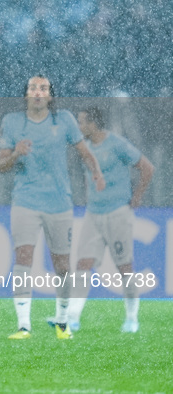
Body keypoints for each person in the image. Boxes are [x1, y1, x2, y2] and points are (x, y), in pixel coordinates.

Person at [0, 74, 105, 340]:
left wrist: (97, 174)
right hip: (25, 200)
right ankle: (24, 325)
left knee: (62, 264)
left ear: (50, 96)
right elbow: (0, 166)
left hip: (59, 202)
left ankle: (62, 320)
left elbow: (84, 152)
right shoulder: (13, 122)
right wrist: (15, 153)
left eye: (43, 88)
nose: (37, 92)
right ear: (26, 94)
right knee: (23, 257)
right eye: (33, 88)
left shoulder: (64, 120)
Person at [68, 107, 154, 333]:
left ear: (93, 124)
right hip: (93, 213)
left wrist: (137, 196)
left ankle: (132, 318)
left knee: (124, 267)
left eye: (82, 122)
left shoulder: (116, 144)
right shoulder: (84, 148)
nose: (79, 126)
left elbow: (147, 167)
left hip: (117, 212)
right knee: (83, 264)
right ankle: (73, 317)